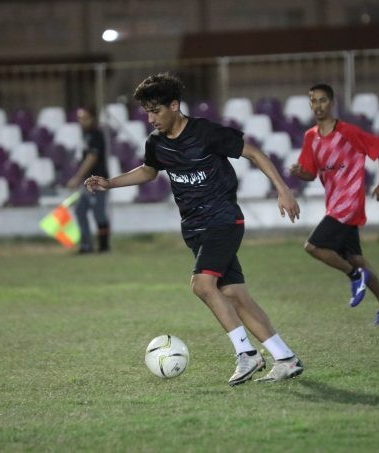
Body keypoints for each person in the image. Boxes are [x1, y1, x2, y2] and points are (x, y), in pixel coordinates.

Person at [86, 73, 303, 385]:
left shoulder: (205, 132)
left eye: (156, 111)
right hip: (195, 229)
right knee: (234, 293)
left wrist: (283, 190)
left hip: (223, 220)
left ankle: (247, 354)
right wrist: (110, 183)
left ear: (174, 106)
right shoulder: (156, 143)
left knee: (202, 285)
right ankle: (286, 359)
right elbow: (148, 171)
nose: (151, 119)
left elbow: (254, 153)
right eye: (147, 112)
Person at [290, 83, 379, 325]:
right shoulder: (310, 137)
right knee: (356, 258)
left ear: (332, 103)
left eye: (322, 100)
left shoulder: (348, 132)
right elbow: (310, 173)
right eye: (313, 101)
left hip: (349, 203)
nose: (318, 105)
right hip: (334, 205)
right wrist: (300, 173)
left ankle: (354, 277)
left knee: (312, 246)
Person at [67, 106, 110, 254]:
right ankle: (86, 245)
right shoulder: (86, 136)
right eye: (80, 118)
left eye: (85, 118)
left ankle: (104, 247)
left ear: (93, 119)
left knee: (99, 213)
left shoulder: (96, 135)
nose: (82, 121)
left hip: (98, 181)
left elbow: (92, 157)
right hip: (88, 182)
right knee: (80, 210)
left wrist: (77, 177)